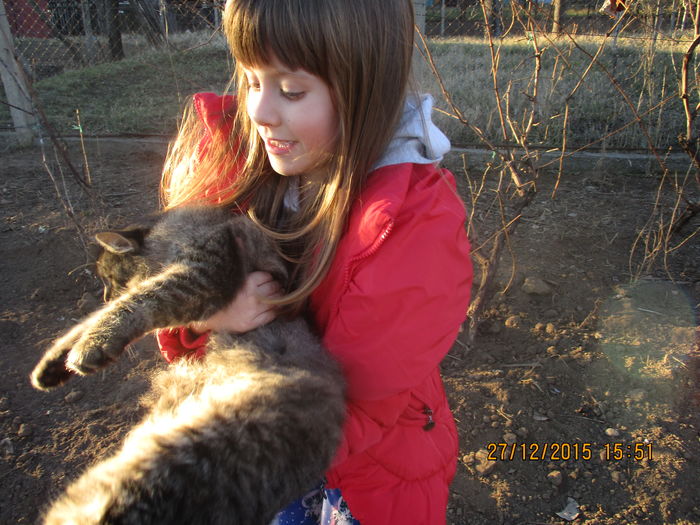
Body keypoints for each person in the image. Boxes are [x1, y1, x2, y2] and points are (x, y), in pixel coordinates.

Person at [156, 0, 473, 523]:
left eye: (291, 90)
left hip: (352, 472)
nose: (259, 110)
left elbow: (364, 396)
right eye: (252, 80)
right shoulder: (242, 165)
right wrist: (202, 312)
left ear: (362, 86)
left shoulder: (414, 224)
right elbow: (171, 287)